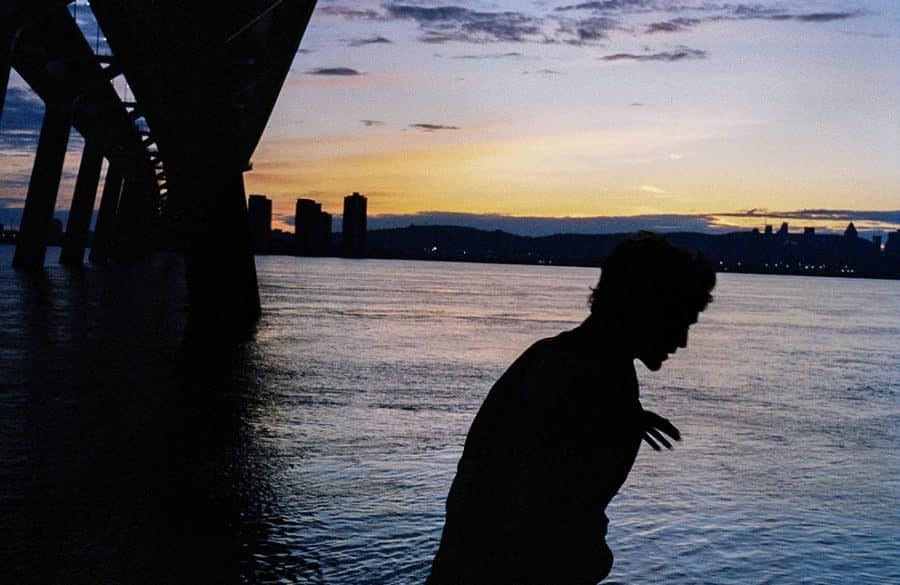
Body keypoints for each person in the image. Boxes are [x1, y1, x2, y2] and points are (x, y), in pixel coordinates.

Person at [426, 233, 716, 585]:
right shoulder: (598, 389)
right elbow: (543, 521)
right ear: (646, 309)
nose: (683, 341)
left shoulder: (553, 359)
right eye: (679, 321)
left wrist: (628, 417)